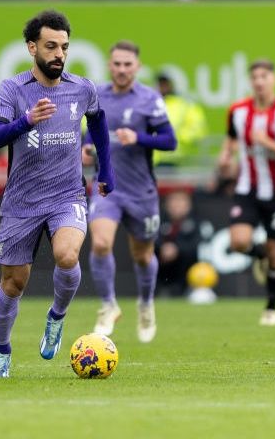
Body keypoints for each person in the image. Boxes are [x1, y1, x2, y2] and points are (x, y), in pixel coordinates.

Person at [0, 10, 115, 378]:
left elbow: (100, 123)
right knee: (13, 283)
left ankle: (56, 316)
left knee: (67, 255)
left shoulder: (82, 87)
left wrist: (106, 170)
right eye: (51, 46)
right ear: (32, 47)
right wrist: (26, 121)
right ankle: (2, 349)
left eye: (65, 47)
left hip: (67, 195)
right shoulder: (13, 89)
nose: (59, 54)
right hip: (22, 201)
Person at [83, 41, 176, 343]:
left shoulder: (150, 99)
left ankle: (146, 305)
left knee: (142, 254)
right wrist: (85, 150)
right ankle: (108, 306)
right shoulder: (96, 96)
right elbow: (87, 136)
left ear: (137, 67)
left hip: (141, 191)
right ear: (110, 66)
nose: (122, 69)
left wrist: (138, 138)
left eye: (128, 64)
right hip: (107, 187)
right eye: (117, 64)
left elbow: (169, 141)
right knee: (100, 243)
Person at [217, 59, 275, 327]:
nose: (259, 81)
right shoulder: (237, 110)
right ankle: (260, 256)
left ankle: (271, 307)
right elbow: (231, 138)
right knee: (238, 242)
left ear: (274, 79)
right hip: (248, 188)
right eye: (255, 77)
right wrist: (225, 156)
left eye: (264, 76)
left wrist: (268, 143)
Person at [153, 72, 207, 168]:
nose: (163, 86)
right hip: (151, 159)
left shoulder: (184, 104)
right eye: (160, 84)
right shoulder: (151, 103)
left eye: (165, 83)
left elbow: (197, 128)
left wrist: (178, 137)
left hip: (174, 158)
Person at [155, 189, 201, 297]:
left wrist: (177, 249)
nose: (177, 205)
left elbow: (198, 246)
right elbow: (149, 241)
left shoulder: (197, 223)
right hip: (161, 274)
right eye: (173, 201)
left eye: (181, 201)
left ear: (189, 205)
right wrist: (162, 248)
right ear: (166, 204)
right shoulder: (158, 222)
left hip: (188, 275)